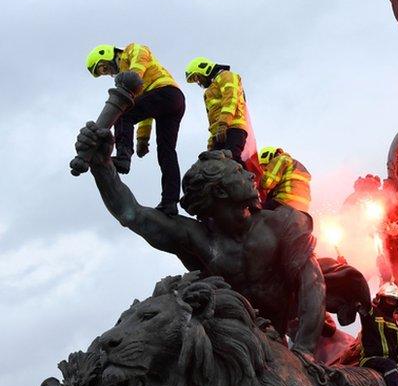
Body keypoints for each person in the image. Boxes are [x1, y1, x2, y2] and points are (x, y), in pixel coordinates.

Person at [74, 126, 325, 357]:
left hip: (284, 341)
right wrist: (102, 165)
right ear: (220, 190)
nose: (250, 175)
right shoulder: (196, 237)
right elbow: (131, 214)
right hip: (232, 344)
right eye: (239, 172)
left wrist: (303, 350)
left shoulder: (283, 222)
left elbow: (312, 283)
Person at [86, 44, 185, 215]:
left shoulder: (132, 49)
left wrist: (132, 78)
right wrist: (142, 139)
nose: (109, 73)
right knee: (166, 153)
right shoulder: (133, 83)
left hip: (165, 92)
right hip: (173, 100)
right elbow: (146, 112)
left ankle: (124, 157)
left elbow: (141, 57)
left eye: (104, 68)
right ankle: (170, 203)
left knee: (122, 115)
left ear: (108, 55)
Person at [184, 57, 249, 164]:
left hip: (233, 127)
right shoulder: (208, 92)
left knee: (232, 161)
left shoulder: (226, 76)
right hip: (219, 133)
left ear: (204, 68)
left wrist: (223, 124)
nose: (198, 81)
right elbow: (212, 121)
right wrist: (211, 144)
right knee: (211, 164)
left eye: (197, 77)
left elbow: (230, 100)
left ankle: (250, 180)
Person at [257, 146, 312, 214]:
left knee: (255, 210)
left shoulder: (280, 159)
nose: (265, 170)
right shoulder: (294, 164)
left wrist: (257, 183)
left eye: (265, 167)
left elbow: (267, 183)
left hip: (285, 202)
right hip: (303, 209)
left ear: (269, 157)